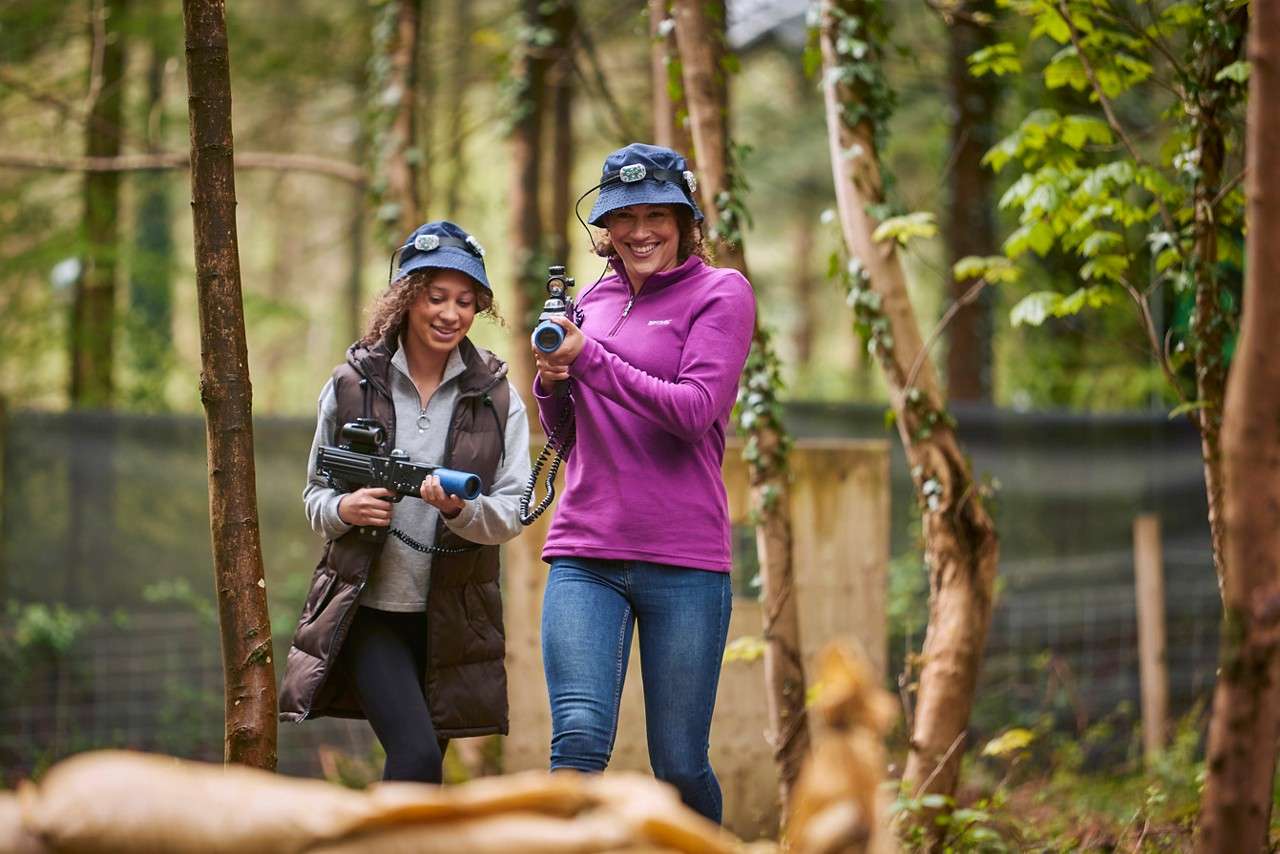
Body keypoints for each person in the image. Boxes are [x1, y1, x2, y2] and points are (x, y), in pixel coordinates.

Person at [530, 143, 756, 823]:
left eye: (656, 213)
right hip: (584, 552)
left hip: (684, 559)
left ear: (687, 221)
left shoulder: (722, 292)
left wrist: (589, 357)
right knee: (576, 742)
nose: (638, 230)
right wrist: (552, 381)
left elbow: (693, 412)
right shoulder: (590, 301)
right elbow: (571, 435)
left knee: (680, 764)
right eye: (622, 217)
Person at [279, 221, 531, 784]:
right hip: (370, 615)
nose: (450, 314)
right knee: (416, 758)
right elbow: (315, 495)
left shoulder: (496, 396)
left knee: (417, 773)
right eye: (436, 297)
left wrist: (459, 510)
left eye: (465, 302)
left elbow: (513, 511)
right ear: (406, 299)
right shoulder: (350, 384)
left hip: (454, 622)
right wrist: (345, 511)